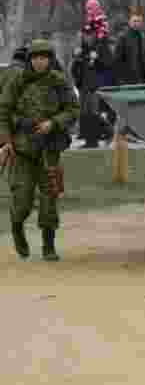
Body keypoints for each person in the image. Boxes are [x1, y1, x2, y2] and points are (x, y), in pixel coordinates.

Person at [0, 39, 80, 260]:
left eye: (44, 57)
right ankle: (17, 228)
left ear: (50, 60)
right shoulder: (17, 81)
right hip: (22, 150)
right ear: (29, 60)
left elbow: (73, 109)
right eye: (35, 58)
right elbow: (3, 111)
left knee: (49, 201)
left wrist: (53, 123)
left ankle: (48, 246)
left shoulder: (59, 82)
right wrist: (6, 141)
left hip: (49, 149)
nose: (39, 62)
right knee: (22, 201)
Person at [71, 0, 115, 148]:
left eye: (89, 35)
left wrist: (98, 58)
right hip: (84, 83)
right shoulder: (82, 47)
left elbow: (108, 63)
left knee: (93, 112)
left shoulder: (102, 42)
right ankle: (89, 138)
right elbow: (75, 67)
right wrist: (76, 60)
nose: (87, 38)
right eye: (85, 35)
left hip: (96, 84)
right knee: (84, 112)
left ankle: (97, 137)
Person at [112, 8, 145, 86]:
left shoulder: (143, 37)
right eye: (134, 21)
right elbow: (117, 59)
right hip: (127, 78)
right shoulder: (123, 37)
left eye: (138, 21)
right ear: (129, 22)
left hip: (140, 77)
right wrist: (119, 79)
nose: (136, 23)